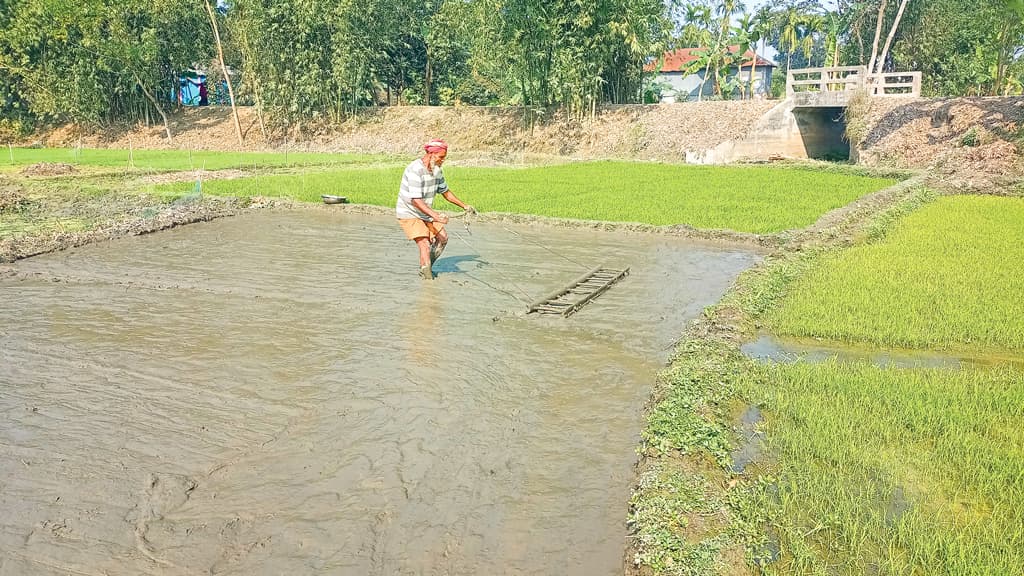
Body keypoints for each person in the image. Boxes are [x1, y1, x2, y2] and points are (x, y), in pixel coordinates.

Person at [396, 139, 475, 280]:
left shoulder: (437, 171)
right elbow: (416, 200)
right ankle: (428, 279)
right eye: (441, 157)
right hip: (409, 211)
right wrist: (436, 216)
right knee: (424, 243)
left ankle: (426, 266)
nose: (443, 160)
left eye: (444, 157)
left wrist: (464, 206)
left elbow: (446, 192)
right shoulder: (415, 170)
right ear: (431, 154)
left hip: (425, 212)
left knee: (443, 238)